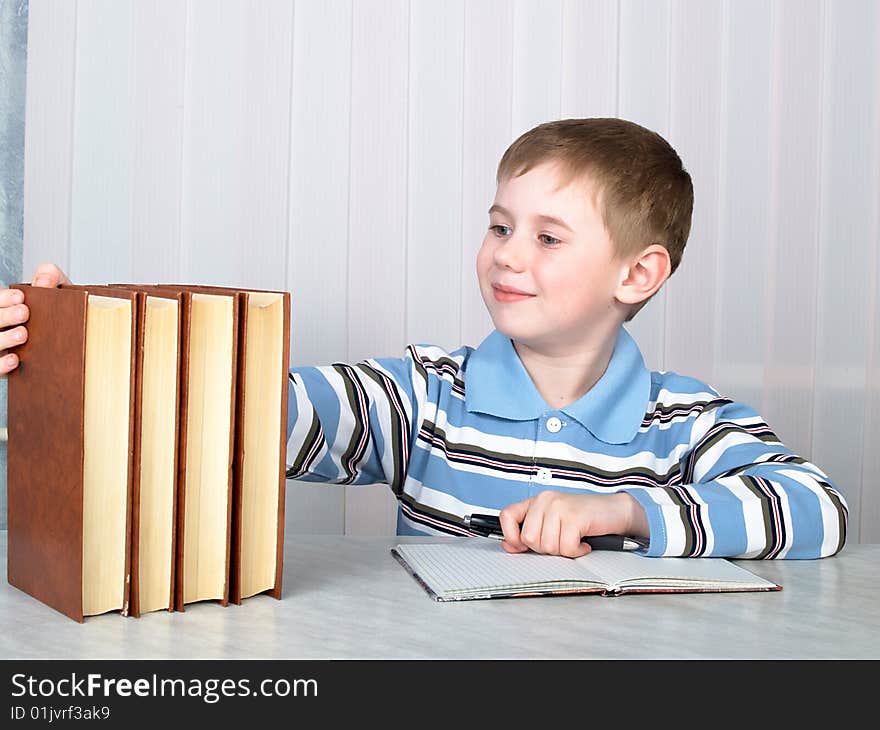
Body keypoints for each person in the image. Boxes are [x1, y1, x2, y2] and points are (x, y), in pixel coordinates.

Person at [1, 118, 847, 559]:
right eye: (499, 226)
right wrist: (85, 340)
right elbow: (261, 407)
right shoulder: (424, 393)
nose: (508, 257)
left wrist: (620, 510)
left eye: (548, 239)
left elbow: (818, 510)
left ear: (638, 275)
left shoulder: (687, 421)